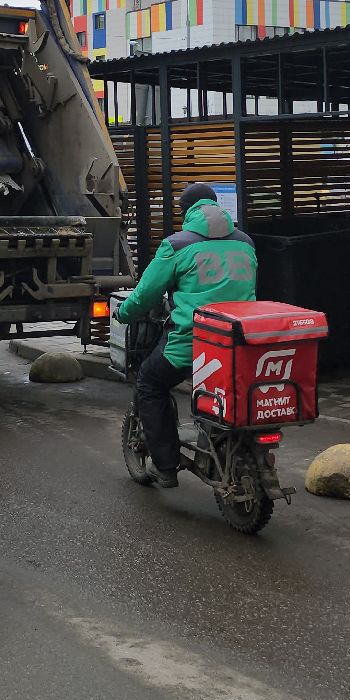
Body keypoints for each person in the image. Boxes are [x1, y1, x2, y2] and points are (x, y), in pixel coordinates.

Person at [114, 183, 258, 488]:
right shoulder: (246, 243)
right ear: (217, 206)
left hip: (194, 343)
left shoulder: (176, 245)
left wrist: (122, 313)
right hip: (238, 344)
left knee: (150, 383)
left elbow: (144, 296)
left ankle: (165, 467)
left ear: (186, 211)